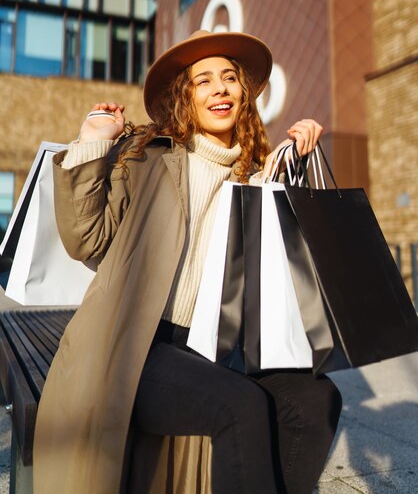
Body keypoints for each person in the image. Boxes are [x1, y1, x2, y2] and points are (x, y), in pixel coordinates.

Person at [33, 30, 342, 494]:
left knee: (319, 399)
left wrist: (295, 167)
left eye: (230, 78)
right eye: (203, 81)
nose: (220, 89)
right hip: (142, 344)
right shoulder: (148, 159)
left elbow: (295, 267)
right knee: (239, 406)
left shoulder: (258, 177)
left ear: (244, 94)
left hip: (220, 345)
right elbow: (86, 240)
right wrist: (93, 142)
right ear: (185, 96)